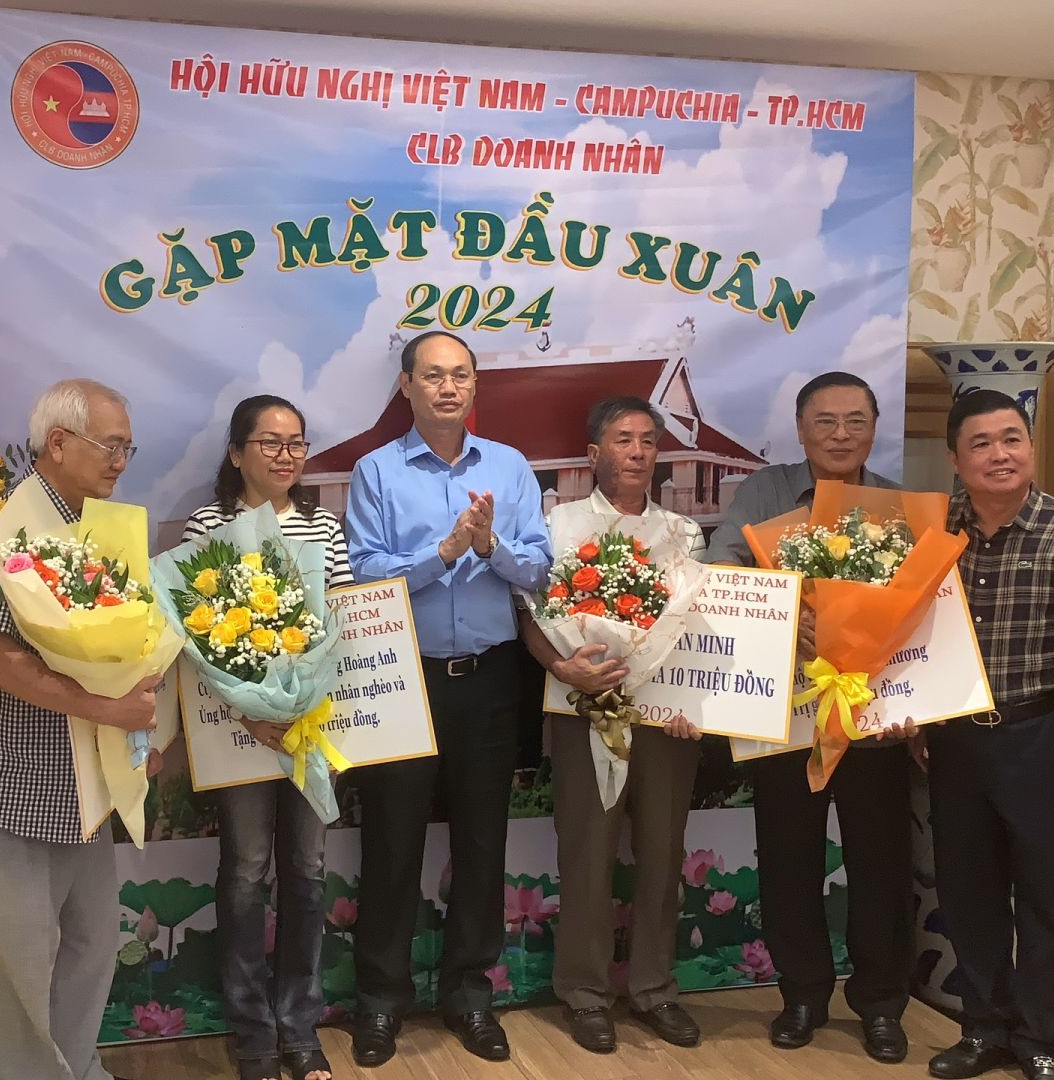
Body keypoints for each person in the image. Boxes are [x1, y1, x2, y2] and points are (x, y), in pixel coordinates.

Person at [0, 379, 162, 1080]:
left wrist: (134, 736)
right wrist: (112, 713)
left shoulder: (89, 529)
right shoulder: (5, 529)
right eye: (111, 444)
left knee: (93, 945)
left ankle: (77, 1067)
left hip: (85, 786)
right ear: (58, 443)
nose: (121, 459)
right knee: (17, 969)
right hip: (10, 786)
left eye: (128, 446)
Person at [344, 330, 552, 1067]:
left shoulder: (509, 467)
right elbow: (366, 578)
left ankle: (469, 996)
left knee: (482, 842)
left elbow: (541, 574)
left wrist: (490, 544)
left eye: (460, 374)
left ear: (474, 386)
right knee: (392, 844)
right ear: (406, 386)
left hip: (490, 682)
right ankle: (379, 1004)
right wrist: (446, 553)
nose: (447, 387)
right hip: (403, 679)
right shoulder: (375, 471)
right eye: (432, 375)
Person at [702, 371, 914, 1064]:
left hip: (870, 712)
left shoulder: (898, 505)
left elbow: (925, 605)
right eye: (825, 421)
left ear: (874, 429)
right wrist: (793, 611)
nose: (841, 434)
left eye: (856, 421)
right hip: (783, 705)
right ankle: (801, 995)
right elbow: (719, 567)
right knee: (787, 855)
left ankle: (881, 1004)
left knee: (879, 859)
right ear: (800, 429)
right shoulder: (762, 494)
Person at [924, 389, 1054, 1080]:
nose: (999, 454)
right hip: (953, 742)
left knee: (1046, 897)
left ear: (1032, 447)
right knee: (968, 893)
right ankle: (982, 1029)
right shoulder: (932, 536)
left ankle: (1042, 1039)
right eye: (981, 443)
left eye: (1011, 438)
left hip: (1044, 736)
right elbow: (901, 635)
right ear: (955, 459)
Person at [520, 397, 706, 1055]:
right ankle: (586, 994)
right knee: (588, 855)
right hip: (583, 711)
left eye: (648, 441)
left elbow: (698, 635)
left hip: (664, 718)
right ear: (594, 454)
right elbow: (533, 615)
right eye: (623, 439)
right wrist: (565, 667)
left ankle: (655, 989)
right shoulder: (560, 524)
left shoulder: (684, 533)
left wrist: (699, 702)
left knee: (661, 852)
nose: (637, 451)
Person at [178, 395, 351, 1080]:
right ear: (237, 451)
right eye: (272, 442)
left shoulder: (323, 525)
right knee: (248, 874)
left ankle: (300, 1024)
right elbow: (194, 625)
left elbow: (341, 620)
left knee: (307, 875)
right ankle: (252, 1031)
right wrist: (249, 710)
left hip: (311, 728)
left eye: (297, 444)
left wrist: (303, 703)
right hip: (239, 727)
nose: (286, 455)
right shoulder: (209, 522)